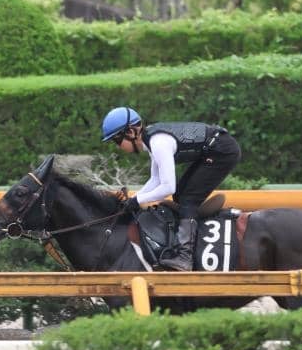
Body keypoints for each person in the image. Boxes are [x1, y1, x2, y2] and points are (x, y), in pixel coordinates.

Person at [101, 107, 241, 271]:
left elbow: (168, 187)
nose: (118, 147)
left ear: (131, 132)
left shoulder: (158, 143)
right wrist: (134, 199)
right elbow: (155, 180)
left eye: (117, 141)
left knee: (188, 200)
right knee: (180, 196)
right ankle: (193, 222)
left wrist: (137, 200)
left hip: (223, 151)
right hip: (214, 148)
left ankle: (185, 257)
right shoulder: (151, 139)